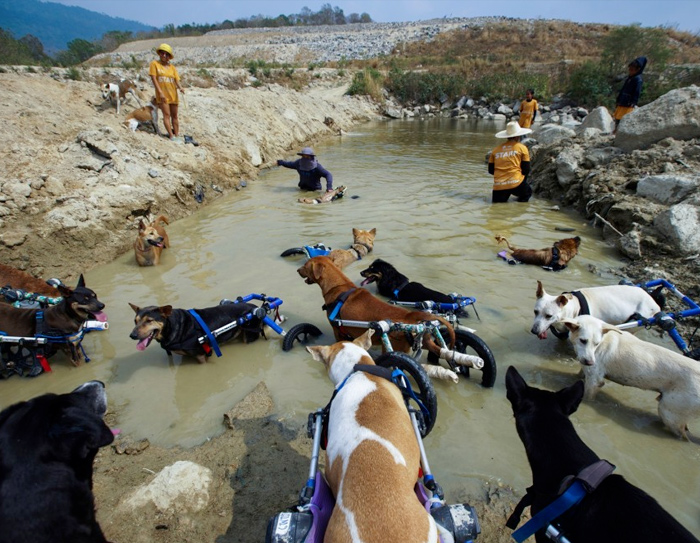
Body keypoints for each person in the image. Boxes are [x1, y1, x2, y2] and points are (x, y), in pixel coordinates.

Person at [487, 121, 532, 203]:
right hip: (516, 184)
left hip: (499, 186)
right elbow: (526, 169)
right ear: (518, 136)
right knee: (528, 192)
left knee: (497, 206)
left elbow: (490, 170)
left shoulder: (495, 150)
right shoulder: (522, 148)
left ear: (507, 136)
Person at [149, 43, 185, 140]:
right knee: (166, 115)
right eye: (162, 53)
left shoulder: (172, 67)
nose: (164, 55)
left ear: (169, 56)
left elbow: (176, 79)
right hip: (163, 95)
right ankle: (171, 135)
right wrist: (160, 92)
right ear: (159, 54)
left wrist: (180, 87)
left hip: (173, 94)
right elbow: (154, 79)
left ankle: (177, 135)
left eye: (166, 54)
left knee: (175, 116)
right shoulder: (154, 64)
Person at [613, 56, 647, 133]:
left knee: (624, 117)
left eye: (632, 70)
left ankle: (620, 131)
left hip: (628, 103)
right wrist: (618, 99)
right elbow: (623, 89)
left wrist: (633, 102)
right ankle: (616, 130)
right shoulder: (630, 78)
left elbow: (637, 92)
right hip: (623, 101)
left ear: (638, 70)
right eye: (629, 69)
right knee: (618, 116)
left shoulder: (638, 80)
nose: (630, 71)